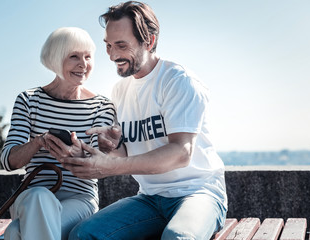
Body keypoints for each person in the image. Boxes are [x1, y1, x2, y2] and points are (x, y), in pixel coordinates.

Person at [64, 1, 228, 239]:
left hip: (198, 193)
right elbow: (125, 155)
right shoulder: (120, 91)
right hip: (150, 199)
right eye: (108, 45)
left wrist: (110, 167)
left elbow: (181, 153)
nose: (112, 55)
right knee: (83, 235)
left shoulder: (178, 81)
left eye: (121, 45)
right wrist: (107, 148)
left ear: (149, 41)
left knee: (177, 238)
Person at [0, 27, 117, 240]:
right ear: (55, 58)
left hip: (80, 199)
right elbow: (9, 161)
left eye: (88, 57)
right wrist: (38, 142)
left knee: (15, 232)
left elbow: (101, 163)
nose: (84, 64)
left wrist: (77, 155)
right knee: (39, 196)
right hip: (31, 198)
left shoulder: (102, 106)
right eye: (74, 56)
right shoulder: (29, 100)